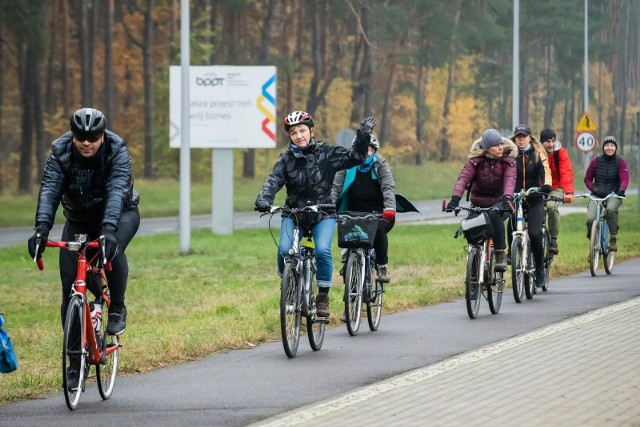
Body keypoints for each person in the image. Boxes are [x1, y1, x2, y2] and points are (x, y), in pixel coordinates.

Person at [28, 108, 140, 338]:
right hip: (79, 219)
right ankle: (74, 360)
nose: (86, 142)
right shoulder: (60, 151)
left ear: (103, 136)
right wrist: (41, 229)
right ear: (72, 135)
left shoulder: (116, 149)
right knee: (70, 285)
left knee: (112, 248)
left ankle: (117, 307)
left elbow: (117, 191)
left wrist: (108, 229)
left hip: (119, 214)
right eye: (80, 137)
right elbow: (50, 189)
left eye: (93, 138)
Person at [255, 111, 373, 320]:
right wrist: (264, 198)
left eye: (302, 130)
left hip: (323, 213)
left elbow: (354, 157)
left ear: (311, 131)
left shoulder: (326, 153)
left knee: (321, 250)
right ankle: (289, 282)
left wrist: (363, 136)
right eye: (293, 133)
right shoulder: (286, 159)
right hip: (294, 213)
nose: (299, 136)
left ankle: (322, 297)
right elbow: (273, 180)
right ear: (289, 136)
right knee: (284, 249)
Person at [446, 129, 517, 272]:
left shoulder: (508, 161)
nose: (500, 148)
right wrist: (455, 199)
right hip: (479, 203)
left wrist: (507, 197)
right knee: (472, 231)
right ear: (487, 148)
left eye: (501, 144)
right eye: (496, 145)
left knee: (493, 214)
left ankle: (500, 253)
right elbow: (463, 179)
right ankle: (473, 272)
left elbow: (510, 180)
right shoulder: (475, 162)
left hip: (501, 202)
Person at [331, 135, 396, 283]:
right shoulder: (347, 165)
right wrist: (330, 205)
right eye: (361, 150)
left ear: (373, 151)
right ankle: (349, 263)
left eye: (368, 150)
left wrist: (390, 208)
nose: (365, 153)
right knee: (347, 237)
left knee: (379, 229)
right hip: (352, 212)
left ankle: (381, 266)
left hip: (379, 213)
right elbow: (335, 187)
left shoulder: (379, 164)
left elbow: (388, 187)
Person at [508, 124, 552, 286]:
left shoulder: (537, 152)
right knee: (511, 223)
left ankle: (539, 269)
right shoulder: (509, 153)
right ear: (514, 138)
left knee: (534, 234)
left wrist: (546, 185)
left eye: (524, 136)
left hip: (534, 198)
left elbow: (546, 171)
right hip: (516, 197)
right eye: (518, 136)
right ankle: (510, 252)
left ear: (529, 137)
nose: (521, 139)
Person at [583, 135, 629, 251]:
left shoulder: (620, 162)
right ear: (603, 147)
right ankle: (593, 243)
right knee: (590, 219)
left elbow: (624, 178)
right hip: (597, 194)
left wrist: (622, 189)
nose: (609, 148)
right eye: (607, 145)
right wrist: (594, 188)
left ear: (615, 148)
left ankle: (613, 239)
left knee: (610, 210)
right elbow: (587, 179)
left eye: (612, 146)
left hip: (613, 194)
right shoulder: (596, 161)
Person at [540, 128, 574, 254]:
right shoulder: (537, 153)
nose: (551, 144)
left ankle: (553, 240)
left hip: (556, 187)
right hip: (540, 187)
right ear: (542, 142)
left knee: (552, 207)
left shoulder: (560, 153)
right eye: (548, 141)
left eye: (553, 141)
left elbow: (566, 172)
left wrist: (569, 192)